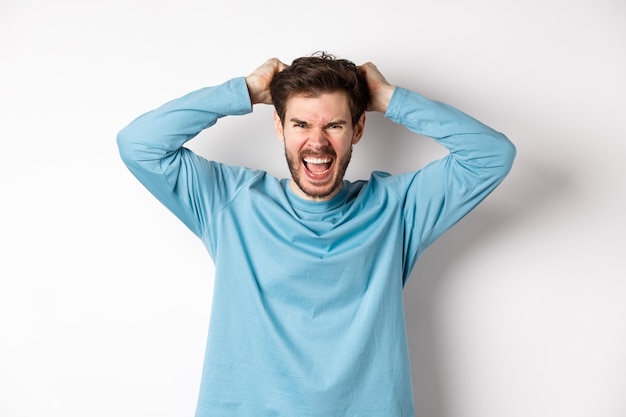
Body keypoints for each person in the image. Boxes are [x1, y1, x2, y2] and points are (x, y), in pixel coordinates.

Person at [117, 52, 515, 417]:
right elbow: (139, 144)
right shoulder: (230, 201)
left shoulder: (397, 209)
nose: (318, 141)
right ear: (279, 126)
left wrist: (390, 98)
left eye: (335, 125)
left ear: (358, 128)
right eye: (301, 124)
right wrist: (244, 91)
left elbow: (492, 156)